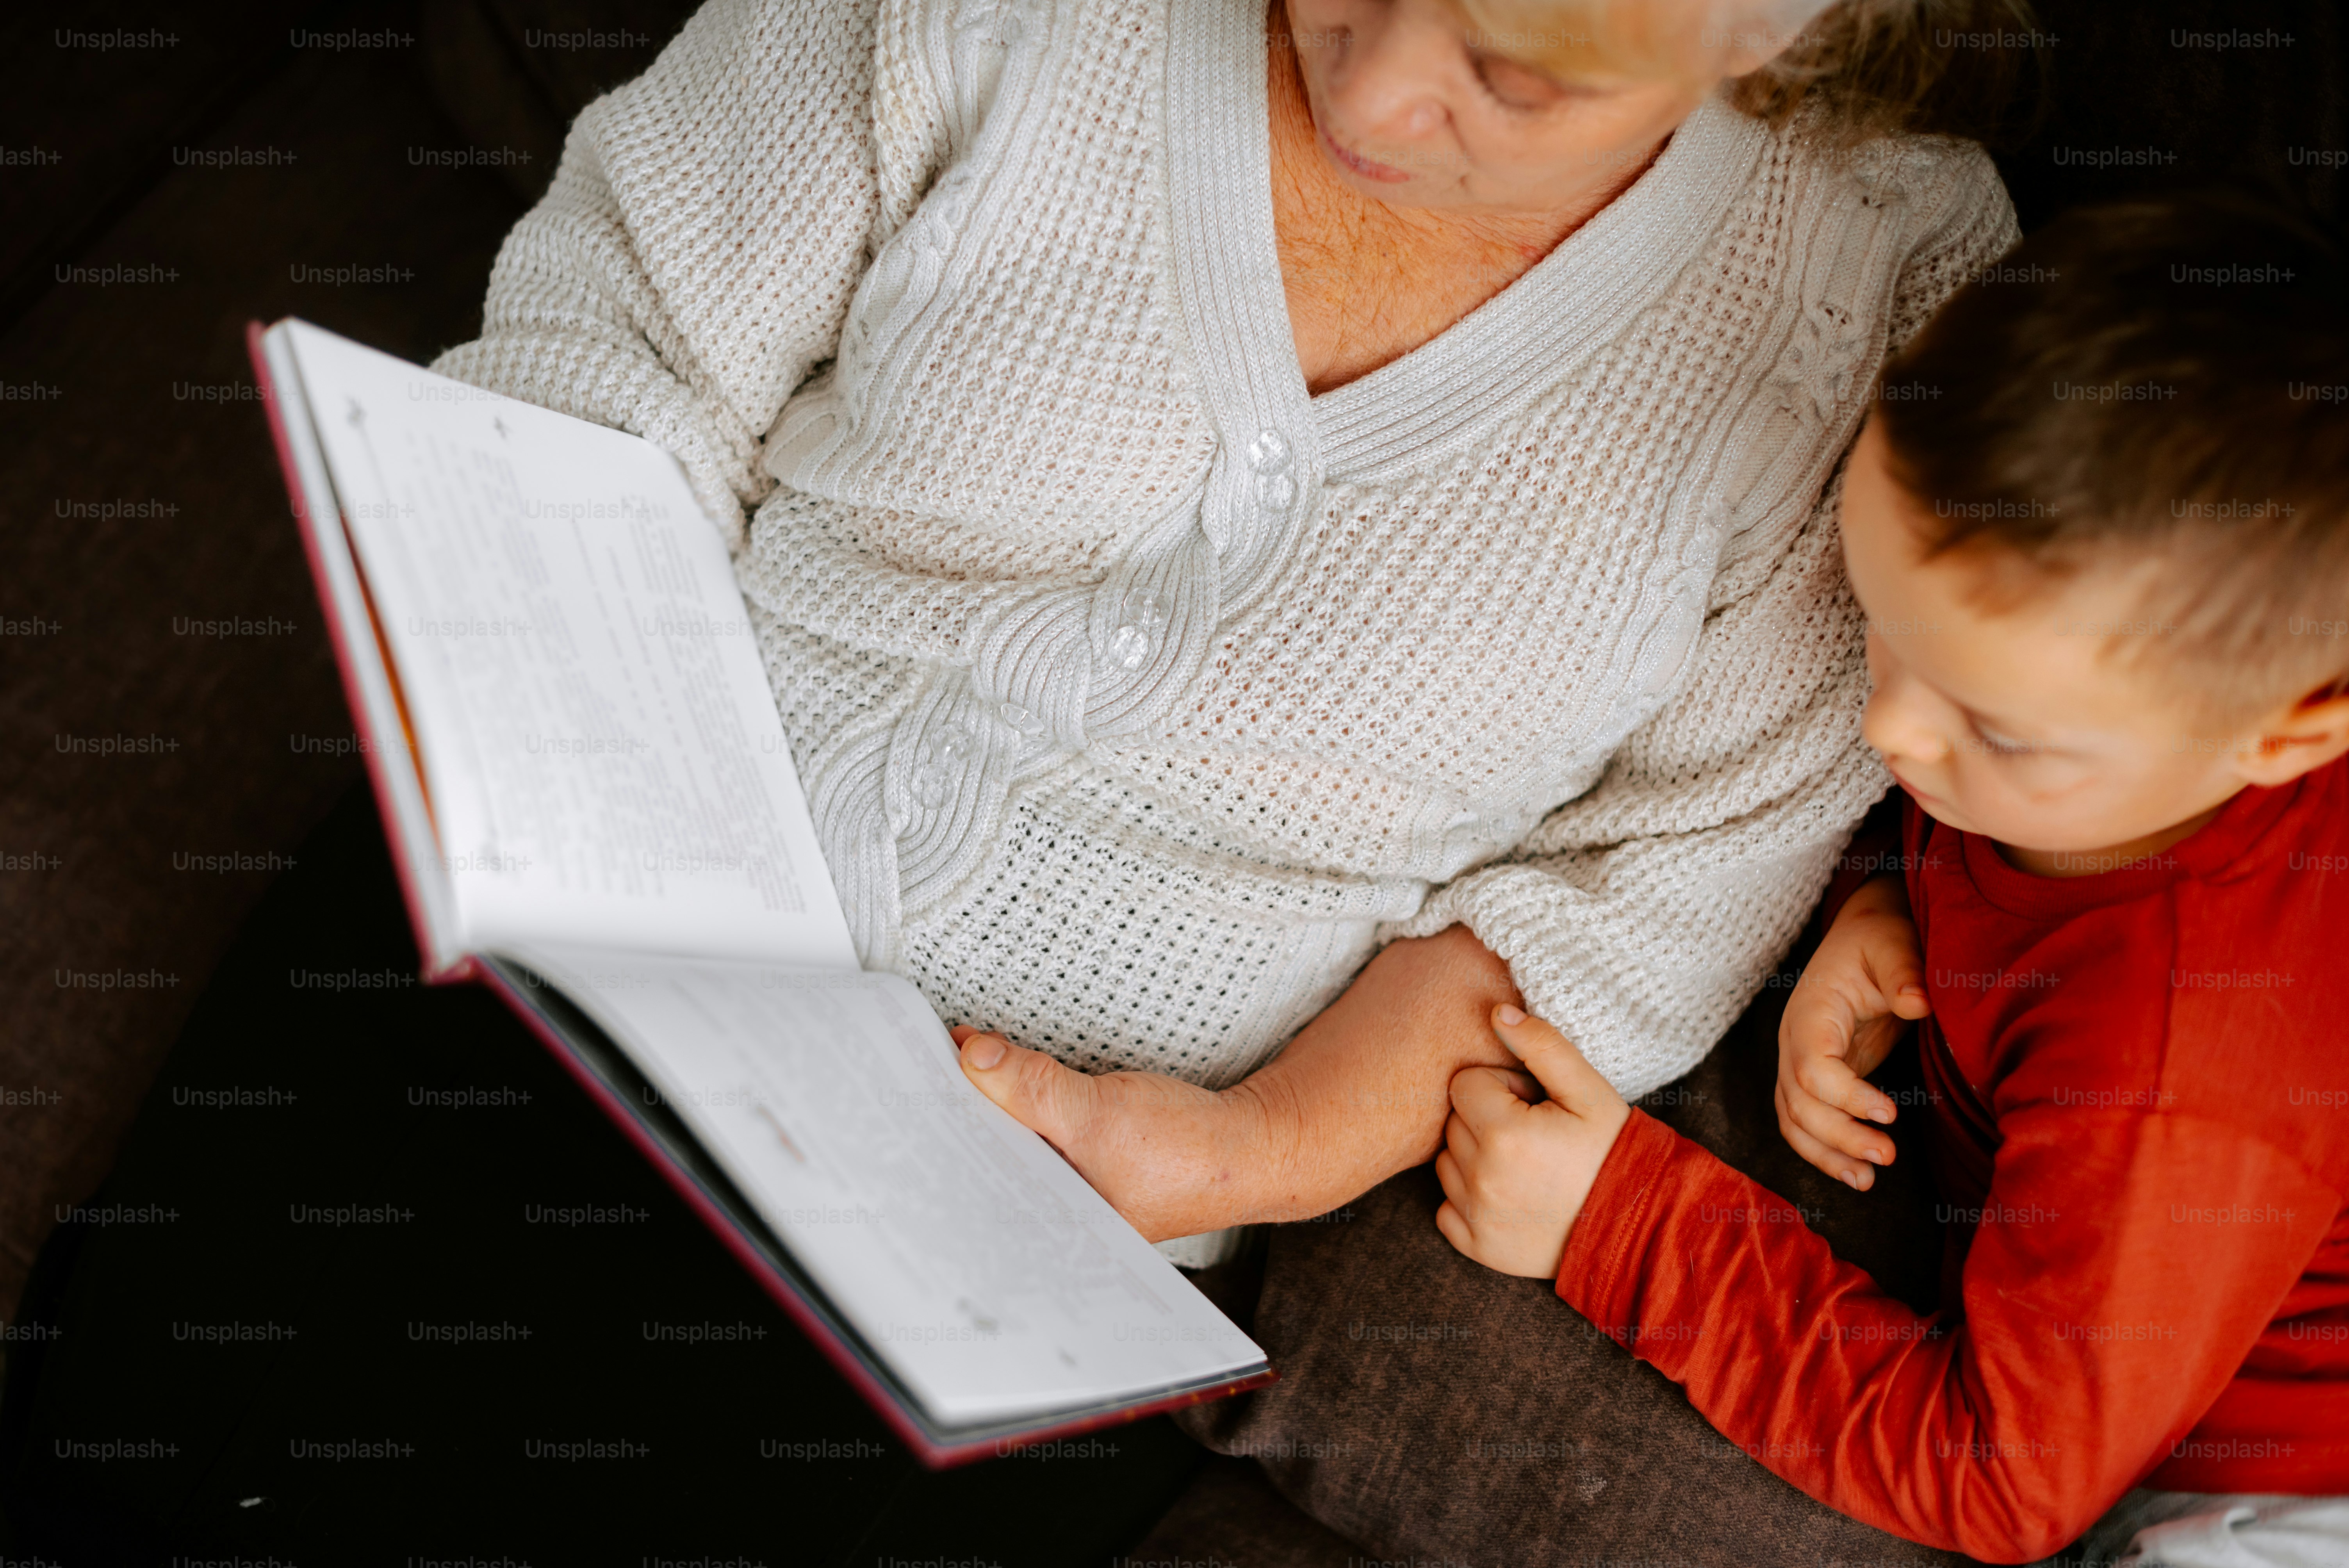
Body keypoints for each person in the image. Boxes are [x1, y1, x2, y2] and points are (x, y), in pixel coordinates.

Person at [0, 0, 2041, 1558]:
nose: (1378, 81)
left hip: (1001, 1241)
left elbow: (1629, 906)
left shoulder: (1863, 301)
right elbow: (618, 351)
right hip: (540, 938)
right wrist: (581, 802)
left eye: (1513, 75)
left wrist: (1240, 1159)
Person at [1431, 191, 2349, 1565]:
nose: (1888, 734)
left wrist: (1615, 1222)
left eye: (1998, 731)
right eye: (1880, 630)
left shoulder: (2175, 1070)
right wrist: (1886, 893)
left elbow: (2005, 1481)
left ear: (2286, 736)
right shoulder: (2123, 735)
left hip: (2281, 1479)